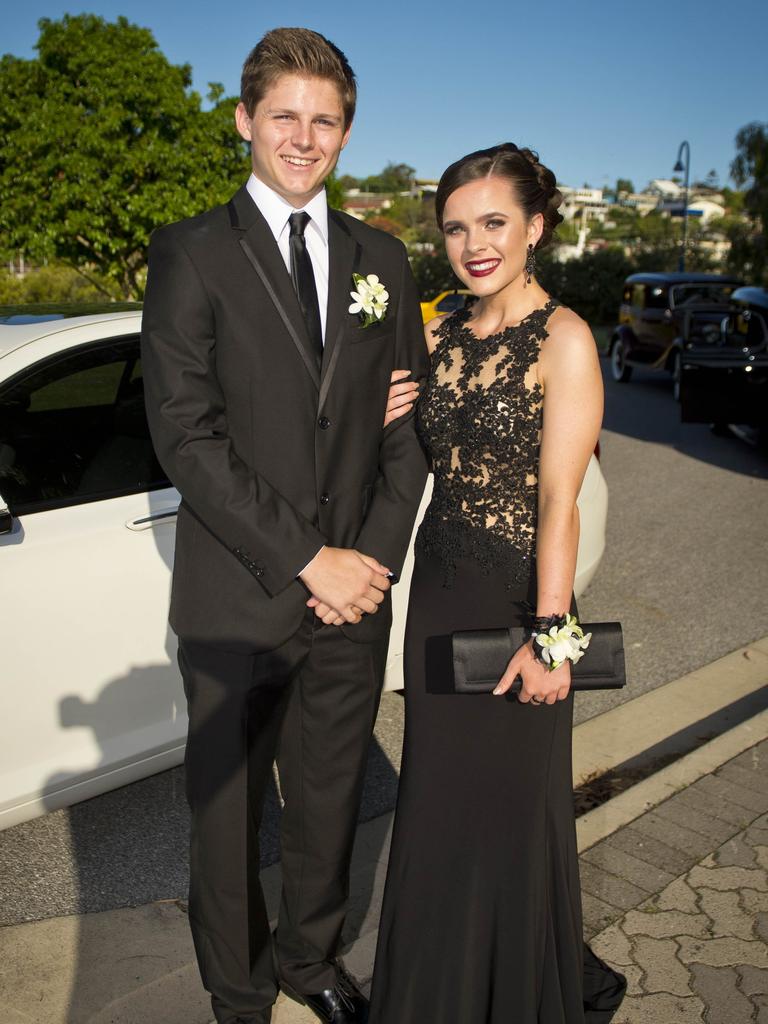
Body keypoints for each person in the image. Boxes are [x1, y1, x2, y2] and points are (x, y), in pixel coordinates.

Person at [141, 28, 429, 1024]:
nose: (303, 138)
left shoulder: (381, 259)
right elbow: (187, 435)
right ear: (246, 121)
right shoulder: (191, 253)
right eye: (285, 116)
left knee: (329, 800)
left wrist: (370, 566)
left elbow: (409, 429)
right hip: (238, 597)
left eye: (325, 119)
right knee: (224, 820)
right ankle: (238, 988)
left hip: (353, 606)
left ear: (345, 133)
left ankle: (310, 961)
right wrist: (311, 557)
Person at [369, 143, 627, 1023]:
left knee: (514, 816)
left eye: (493, 224)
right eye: (455, 228)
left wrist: (553, 639)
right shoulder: (435, 331)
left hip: (524, 602)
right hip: (438, 600)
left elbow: (563, 501)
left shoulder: (566, 338)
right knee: (436, 807)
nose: (474, 244)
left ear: (535, 228)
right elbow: (393, 452)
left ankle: (512, 994)